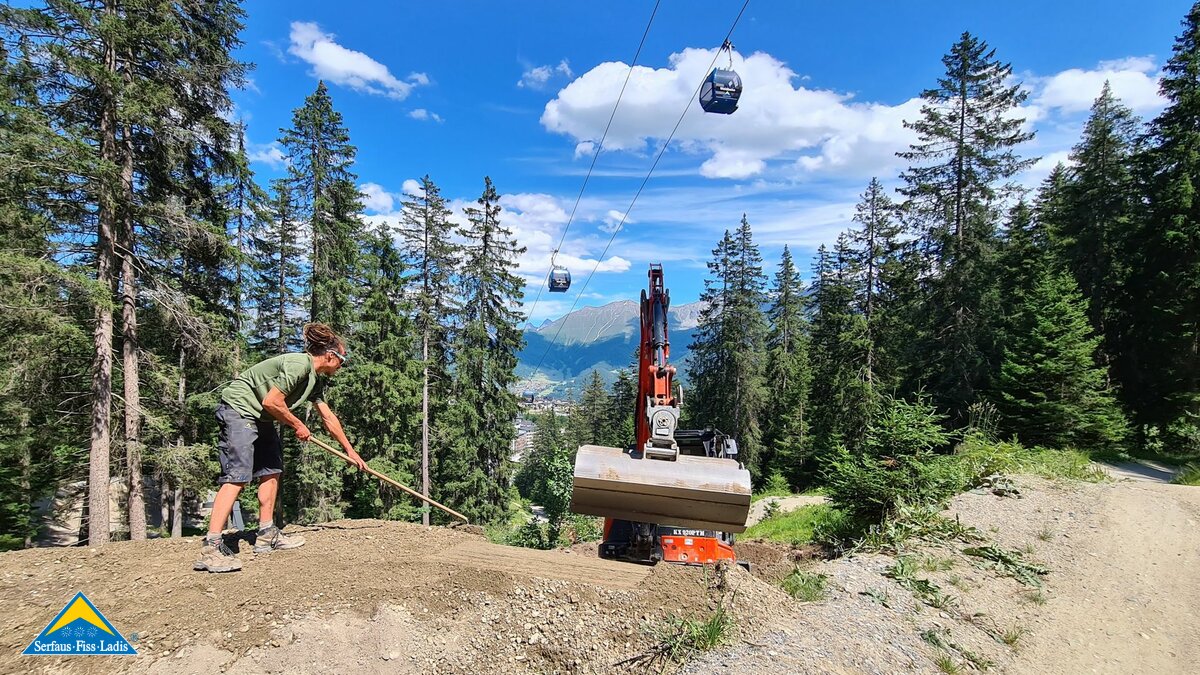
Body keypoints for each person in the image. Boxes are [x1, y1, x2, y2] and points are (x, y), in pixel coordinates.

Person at [194, 322, 368, 573]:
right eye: (342, 359)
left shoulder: (313, 380)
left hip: (262, 417)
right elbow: (271, 401)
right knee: (237, 475)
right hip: (239, 410)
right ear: (330, 356)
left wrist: (350, 451)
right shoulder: (299, 364)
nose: (342, 365)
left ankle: (266, 534)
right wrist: (298, 424)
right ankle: (211, 547)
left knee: (271, 470)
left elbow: (328, 417)